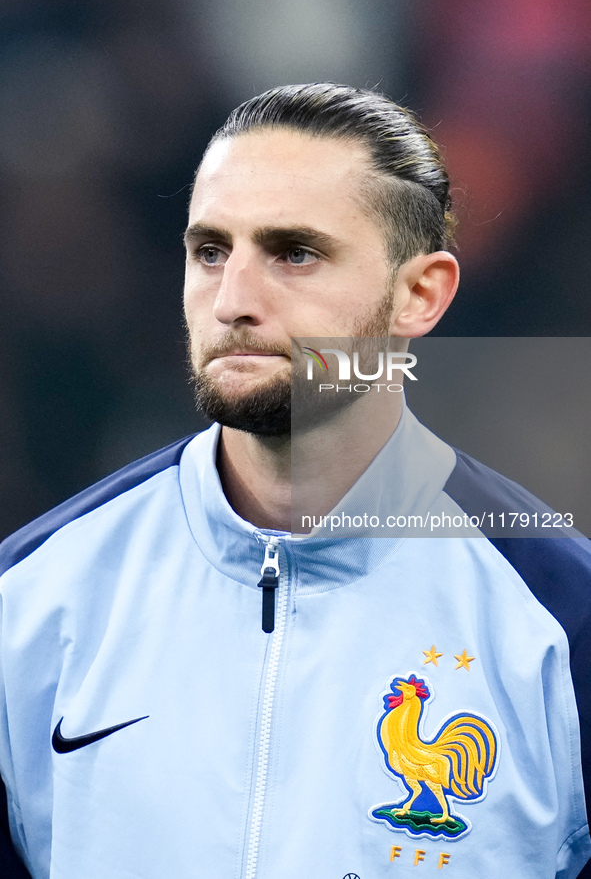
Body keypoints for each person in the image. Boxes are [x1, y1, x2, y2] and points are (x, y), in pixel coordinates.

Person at [1, 83, 590, 879]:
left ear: (420, 294)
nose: (233, 300)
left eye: (294, 253)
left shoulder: (559, 618)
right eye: (210, 251)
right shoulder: (31, 600)